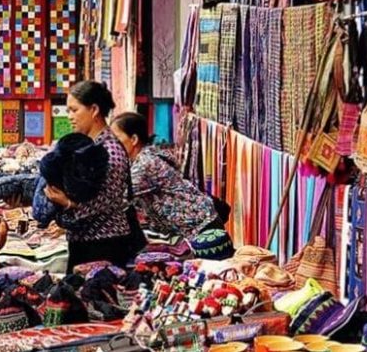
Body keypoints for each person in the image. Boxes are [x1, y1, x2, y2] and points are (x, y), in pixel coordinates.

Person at [41, 81, 146, 271]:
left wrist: (68, 203)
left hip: (104, 244)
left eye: (74, 110)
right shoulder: (89, 146)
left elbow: (105, 200)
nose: (69, 117)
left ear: (94, 110)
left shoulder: (110, 150)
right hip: (86, 241)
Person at [110, 112, 227, 239]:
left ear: (134, 139)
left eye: (116, 139)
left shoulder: (146, 164)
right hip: (195, 225)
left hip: (201, 226)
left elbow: (118, 198)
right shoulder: (144, 158)